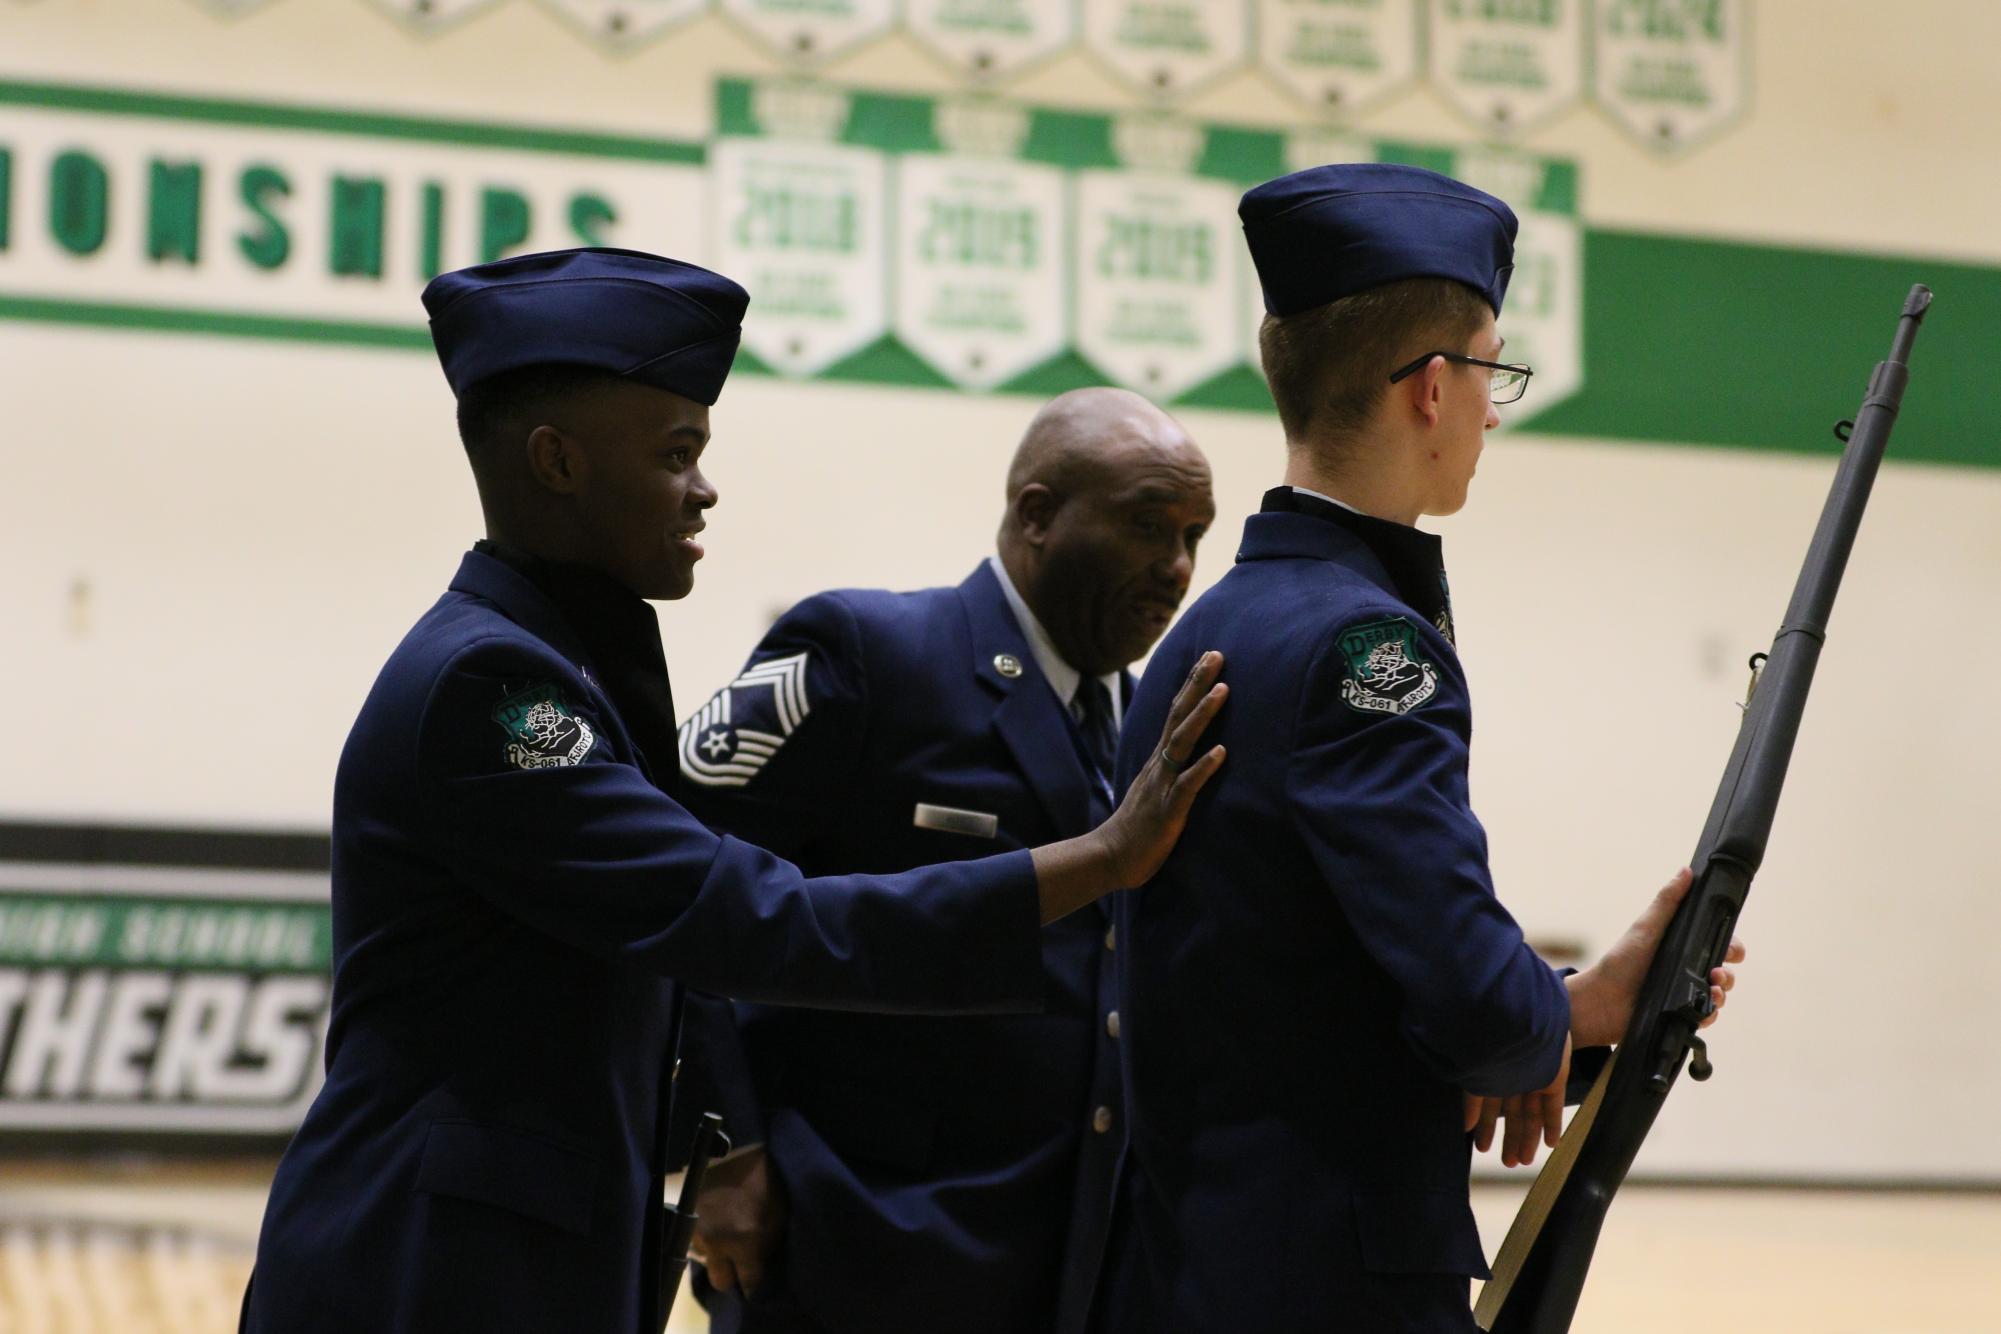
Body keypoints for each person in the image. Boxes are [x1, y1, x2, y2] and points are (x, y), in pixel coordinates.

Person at [237, 248, 1229, 1334]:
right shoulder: (496, 691)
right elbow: (751, 917)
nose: (705, 488)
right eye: (676, 454)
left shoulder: (560, 665)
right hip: (426, 1270)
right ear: (558, 461)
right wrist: (1101, 857)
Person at [1093, 165, 1744, 1332]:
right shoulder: (1368, 648)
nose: (1496, 409)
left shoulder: (1218, 625)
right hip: (1323, 1280)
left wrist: (1520, 1009)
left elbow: (1318, 963)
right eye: (1490, 372)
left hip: (1200, 1258)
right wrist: (1579, 1008)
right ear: (1433, 389)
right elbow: (1463, 991)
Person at [673, 387, 1215, 1334]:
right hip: (856, 1242)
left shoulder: (1147, 724)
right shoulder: (870, 653)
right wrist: (723, 1149)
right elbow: (677, 894)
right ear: (1037, 515)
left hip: (1070, 1256)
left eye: (1193, 536)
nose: (1175, 568)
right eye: (1144, 526)